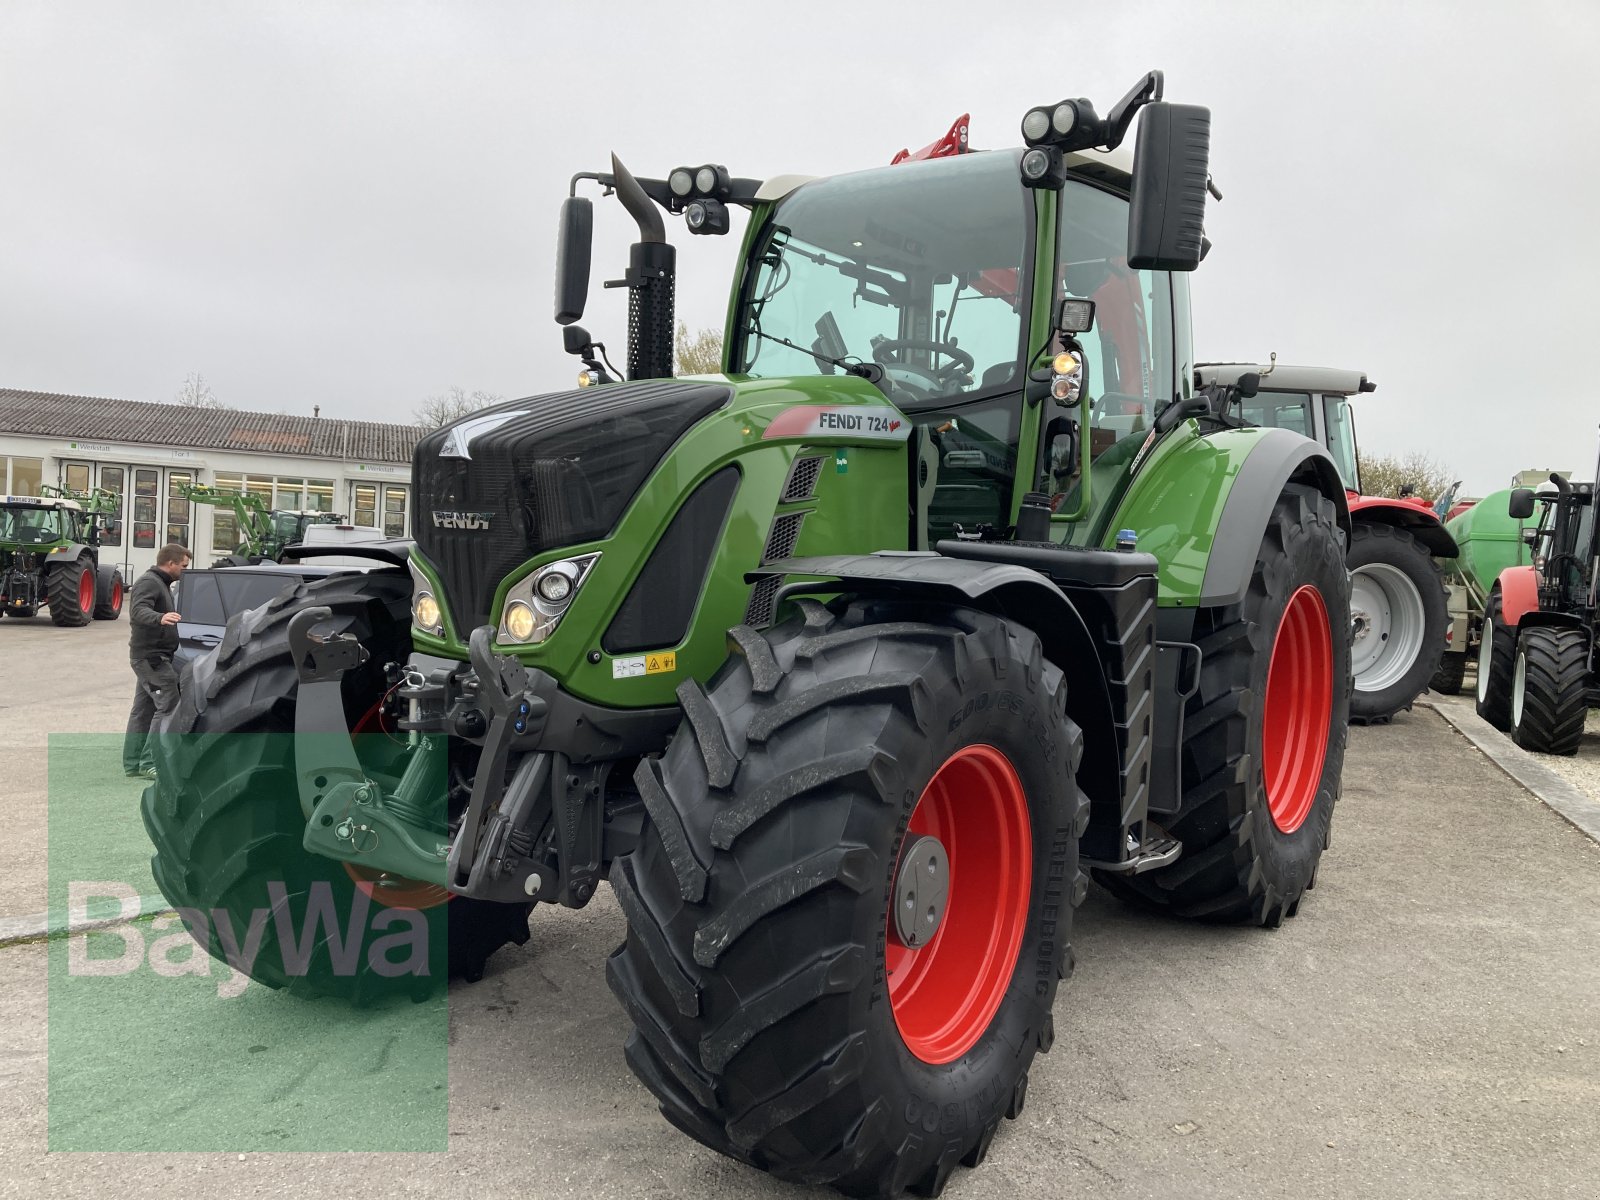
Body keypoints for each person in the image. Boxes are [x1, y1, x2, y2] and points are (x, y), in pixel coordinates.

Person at [122, 543, 190, 779]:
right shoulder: (149, 582)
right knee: (169, 705)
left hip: (151, 657)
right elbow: (139, 610)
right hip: (151, 658)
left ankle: (132, 763)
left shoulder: (161, 583)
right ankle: (149, 761)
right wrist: (160, 618)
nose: (185, 570)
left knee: (143, 710)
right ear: (170, 563)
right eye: (183, 566)